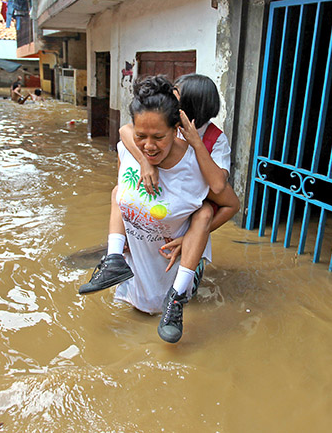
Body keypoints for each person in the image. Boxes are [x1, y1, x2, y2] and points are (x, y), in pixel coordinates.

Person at [79, 75, 236, 343]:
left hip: (188, 227)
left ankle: (176, 301)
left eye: (178, 97)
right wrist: (145, 161)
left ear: (183, 116)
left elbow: (220, 188)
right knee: (138, 298)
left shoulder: (207, 146)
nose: (149, 145)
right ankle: (116, 263)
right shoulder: (145, 137)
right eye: (143, 136)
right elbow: (126, 134)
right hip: (150, 225)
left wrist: (196, 145)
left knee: (202, 222)